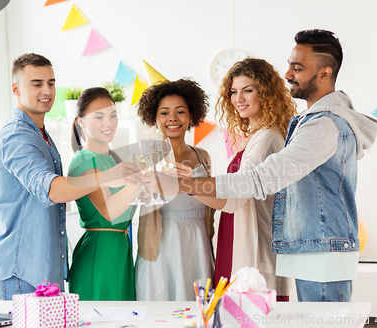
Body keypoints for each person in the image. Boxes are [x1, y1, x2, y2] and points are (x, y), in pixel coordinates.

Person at [149, 30, 377, 302]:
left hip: (319, 250)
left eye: (297, 67)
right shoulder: (311, 122)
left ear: (324, 73)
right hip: (314, 249)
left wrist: (182, 184)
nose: (288, 74)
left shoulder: (323, 124)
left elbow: (259, 180)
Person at [0, 54, 140, 300]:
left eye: (51, 82)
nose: (46, 90)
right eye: (36, 84)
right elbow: (52, 191)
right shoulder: (17, 137)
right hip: (20, 273)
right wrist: (110, 176)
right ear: (16, 88)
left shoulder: (41, 136)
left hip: (44, 272)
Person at [193, 58, 295, 301]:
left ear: (267, 93)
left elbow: (236, 195)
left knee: (249, 311)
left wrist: (185, 185)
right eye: (234, 92)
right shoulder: (257, 135)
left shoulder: (267, 138)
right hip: (238, 231)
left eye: (248, 90)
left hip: (253, 240)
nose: (239, 98)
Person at [135, 78, 214, 301]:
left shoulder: (202, 156)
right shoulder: (145, 155)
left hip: (198, 244)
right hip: (161, 246)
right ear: (154, 117)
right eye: (164, 113)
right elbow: (136, 201)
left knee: (198, 311)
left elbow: (212, 199)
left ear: (191, 116)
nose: (172, 118)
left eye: (180, 111)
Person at [67, 87, 137, 301]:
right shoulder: (84, 161)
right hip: (100, 256)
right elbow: (109, 211)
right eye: (99, 117)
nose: (109, 123)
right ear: (81, 122)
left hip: (119, 253)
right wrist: (141, 182)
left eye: (113, 115)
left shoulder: (116, 159)